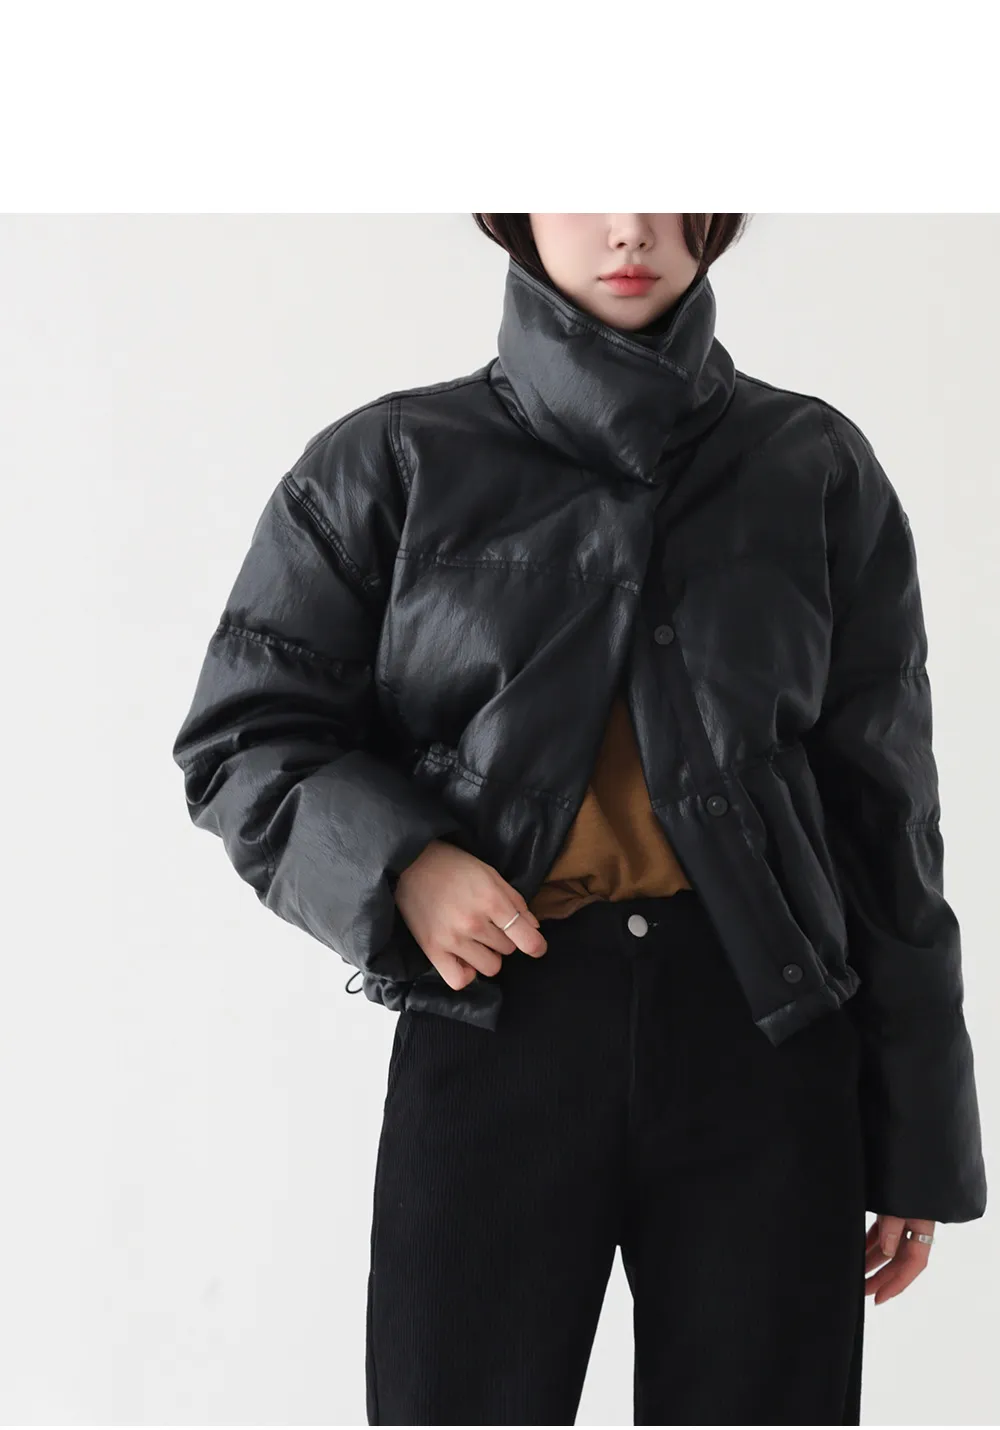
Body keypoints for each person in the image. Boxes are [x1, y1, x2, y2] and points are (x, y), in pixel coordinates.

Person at [171, 214, 987, 1426]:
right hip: (498, 1020)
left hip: (764, 1042)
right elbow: (243, 734)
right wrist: (405, 867)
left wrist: (916, 1130)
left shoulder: (812, 465)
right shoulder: (390, 459)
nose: (628, 225)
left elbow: (887, 814)